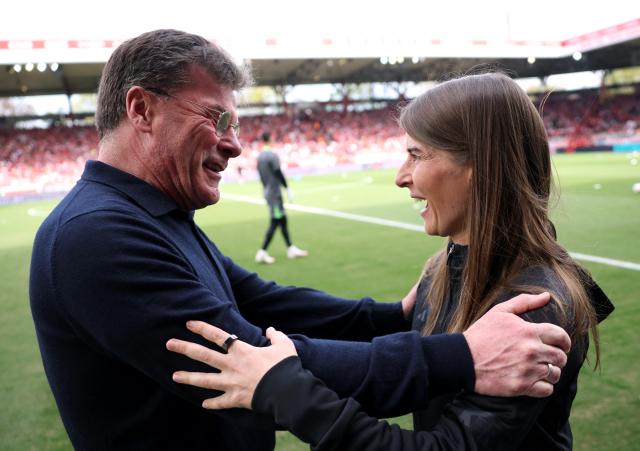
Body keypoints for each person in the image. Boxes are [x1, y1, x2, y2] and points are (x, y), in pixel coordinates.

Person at [29, 30, 572, 451]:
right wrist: (461, 356)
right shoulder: (95, 236)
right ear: (141, 109)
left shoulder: (149, 216)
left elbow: (264, 302)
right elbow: (245, 357)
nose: (236, 145)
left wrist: (389, 316)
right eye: (217, 118)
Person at [166, 72, 615, 450]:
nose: (402, 177)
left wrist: (287, 391)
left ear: (479, 164)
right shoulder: (441, 267)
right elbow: (398, 375)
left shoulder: (534, 306)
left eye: (417, 155)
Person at [255, 131, 308, 263]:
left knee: (283, 220)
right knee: (276, 221)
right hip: (274, 194)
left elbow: (261, 177)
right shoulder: (272, 155)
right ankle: (262, 251)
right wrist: (287, 187)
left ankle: (290, 248)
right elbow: (278, 172)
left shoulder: (260, 157)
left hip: (269, 192)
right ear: (270, 139)